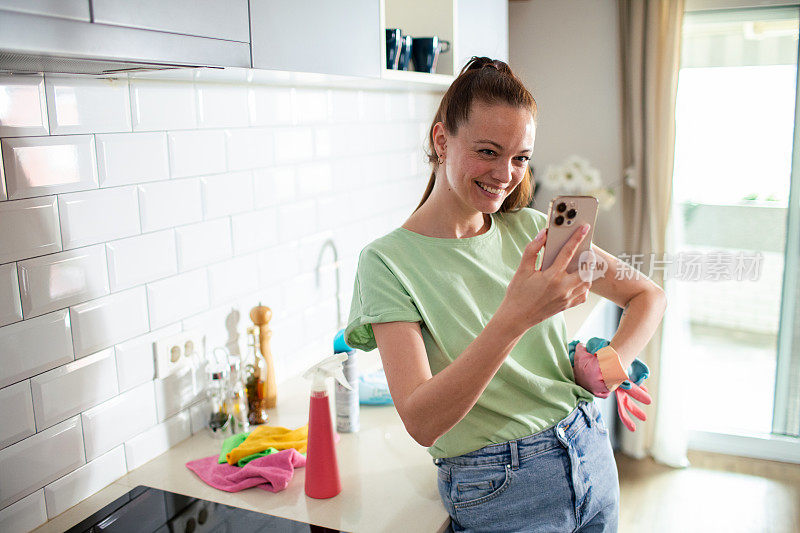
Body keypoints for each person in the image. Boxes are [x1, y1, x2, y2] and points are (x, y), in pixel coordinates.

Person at [344, 57, 666, 532]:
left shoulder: (536, 230)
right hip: (498, 486)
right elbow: (421, 421)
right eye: (489, 151)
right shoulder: (387, 262)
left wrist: (607, 366)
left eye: (520, 158)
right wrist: (516, 317)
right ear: (441, 140)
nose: (505, 174)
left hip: (587, 449)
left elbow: (647, 295)